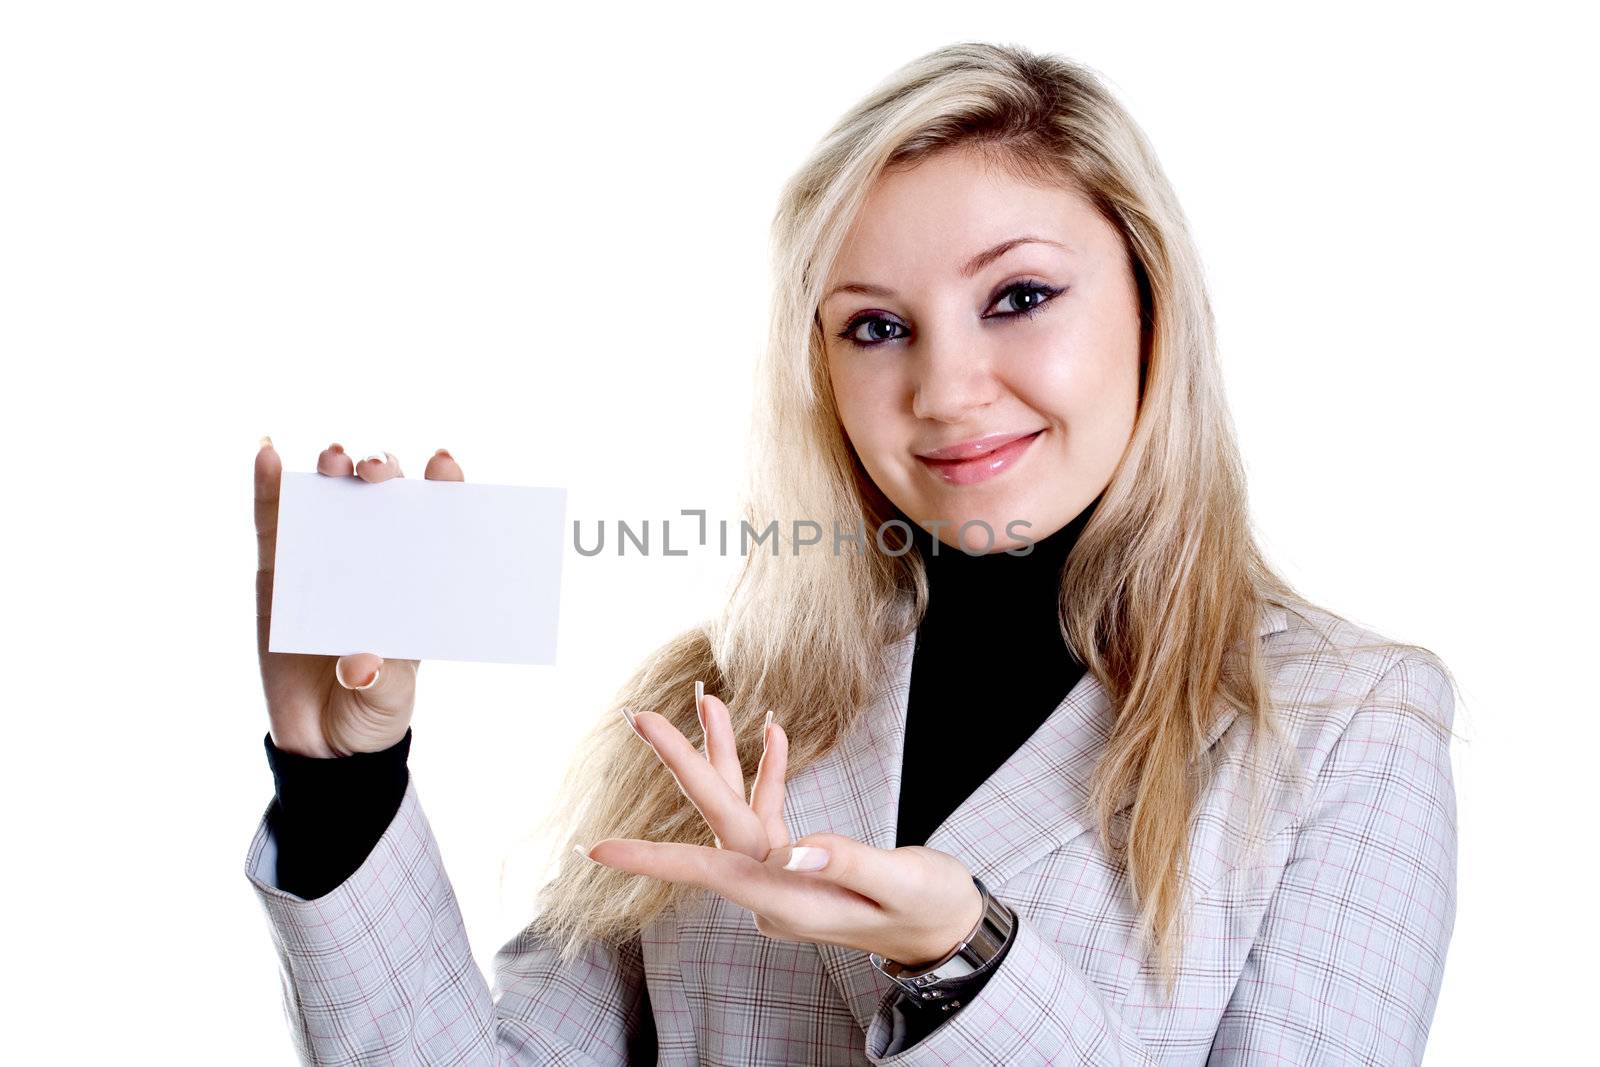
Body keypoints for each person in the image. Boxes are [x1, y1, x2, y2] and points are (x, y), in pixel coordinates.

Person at [246, 41, 1460, 1065]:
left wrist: (963, 959)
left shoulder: (1343, 722)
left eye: (1019, 296)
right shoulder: (722, 698)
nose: (944, 389)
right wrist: (342, 778)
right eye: (876, 327)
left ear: (1151, 302)